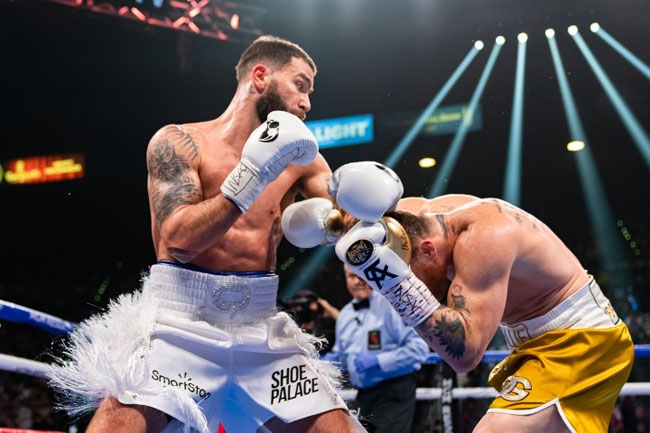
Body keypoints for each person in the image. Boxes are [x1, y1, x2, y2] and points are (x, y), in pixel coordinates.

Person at [48, 35, 364, 433]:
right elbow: (178, 241)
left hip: (261, 327)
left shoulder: (303, 158)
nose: (307, 103)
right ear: (260, 77)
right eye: (300, 85)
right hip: (180, 322)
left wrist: (360, 213)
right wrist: (254, 173)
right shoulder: (179, 142)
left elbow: (347, 216)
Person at [281, 166, 634, 432]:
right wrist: (335, 223)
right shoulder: (405, 218)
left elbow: (465, 355)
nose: (414, 286)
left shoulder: (485, 237)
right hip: (539, 343)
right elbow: (361, 214)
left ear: (428, 250)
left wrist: (395, 282)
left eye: (412, 275)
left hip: (583, 341)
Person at [327, 266, 429, 433]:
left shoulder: (393, 305)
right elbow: (342, 358)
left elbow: (419, 350)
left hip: (393, 391)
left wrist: (379, 361)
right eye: (351, 276)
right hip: (363, 395)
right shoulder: (345, 315)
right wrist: (327, 363)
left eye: (361, 276)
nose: (357, 281)